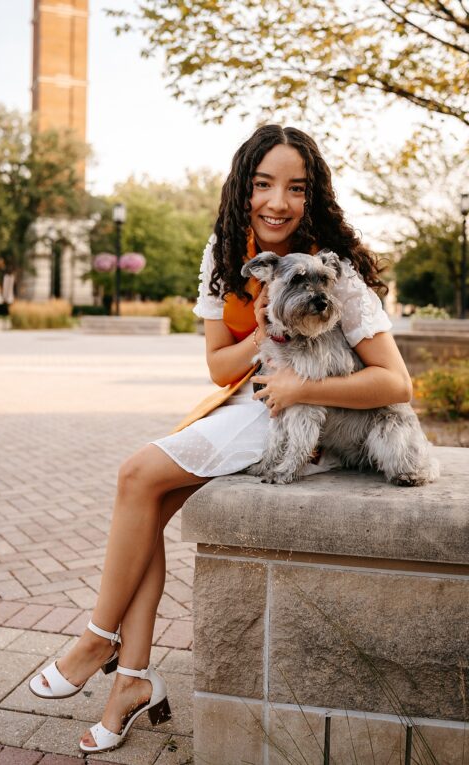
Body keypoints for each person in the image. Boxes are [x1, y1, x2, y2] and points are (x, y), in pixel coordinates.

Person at [26, 125, 412, 754]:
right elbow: (216, 367)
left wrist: (302, 391)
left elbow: (395, 382)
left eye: (295, 187)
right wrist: (264, 331)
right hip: (242, 400)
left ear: (312, 196)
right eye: (264, 185)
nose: (277, 202)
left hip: (292, 419)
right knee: (144, 504)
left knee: (135, 474)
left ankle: (99, 639)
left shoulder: (330, 270)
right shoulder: (224, 251)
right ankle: (130, 683)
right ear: (243, 188)